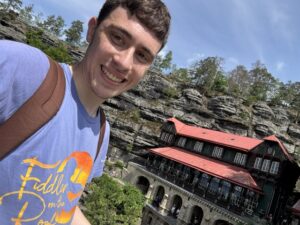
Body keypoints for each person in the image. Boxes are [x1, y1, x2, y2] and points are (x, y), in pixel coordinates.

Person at [0, 0, 171, 224]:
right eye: (118, 38)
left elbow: (64, 205)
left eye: (142, 55)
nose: (123, 62)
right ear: (92, 30)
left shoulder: (101, 133)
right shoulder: (24, 69)